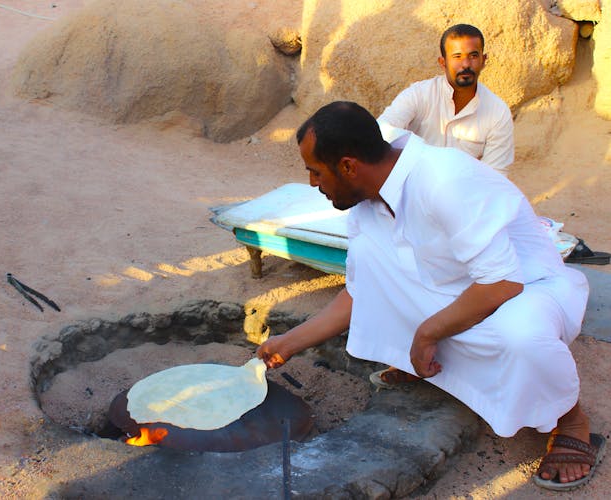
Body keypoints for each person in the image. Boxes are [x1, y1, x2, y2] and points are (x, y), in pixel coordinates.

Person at [257, 101, 604, 491]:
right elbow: (360, 294)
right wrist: (288, 343)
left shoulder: (444, 179)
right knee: (377, 266)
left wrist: (427, 333)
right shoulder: (365, 204)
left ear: (349, 166)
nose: (312, 183)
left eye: (315, 171)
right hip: (458, 290)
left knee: (518, 338)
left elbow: (502, 284)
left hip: (527, 289)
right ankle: (438, 365)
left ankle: (572, 419)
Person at [377, 24, 514, 172]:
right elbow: (382, 131)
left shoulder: (498, 112)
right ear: (443, 62)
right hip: (410, 186)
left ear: (483, 60)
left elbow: (495, 175)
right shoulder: (419, 94)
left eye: (473, 56)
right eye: (457, 57)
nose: (466, 64)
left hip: (462, 192)